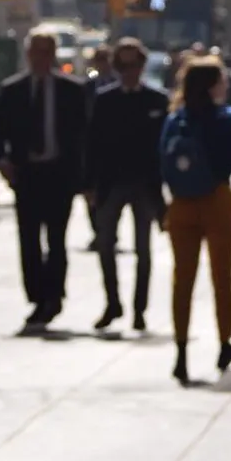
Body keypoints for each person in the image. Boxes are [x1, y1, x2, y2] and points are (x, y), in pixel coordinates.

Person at [159, 56, 231, 385]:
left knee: (182, 279)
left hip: (182, 205)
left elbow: (162, 160)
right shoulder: (227, 119)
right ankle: (225, 343)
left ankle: (181, 352)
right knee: (221, 277)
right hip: (217, 200)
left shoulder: (175, 120)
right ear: (214, 85)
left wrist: (164, 204)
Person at [0, 30, 89, 331]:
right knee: (29, 239)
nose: (40, 58)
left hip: (59, 174)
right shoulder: (12, 90)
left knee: (56, 239)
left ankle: (54, 295)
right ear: (27, 54)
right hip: (27, 174)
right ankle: (37, 295)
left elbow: (85, 136)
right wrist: (1, 161)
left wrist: (86, 180)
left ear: (54, 55)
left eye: (46, 52)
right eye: (35, 52)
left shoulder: (72, 90)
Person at [84, 39, 167, 333]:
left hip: (145, 185)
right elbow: (93, 143)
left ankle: (139, 309)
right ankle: (113, 303)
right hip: (111, 183)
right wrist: (89, 185)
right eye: (123, 66)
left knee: (143, 250)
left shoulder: (157, 100)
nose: (129, 71)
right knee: (105, 244)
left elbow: (164, 148)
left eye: (134, 65)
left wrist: (164, 194)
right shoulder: (105, 100)